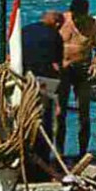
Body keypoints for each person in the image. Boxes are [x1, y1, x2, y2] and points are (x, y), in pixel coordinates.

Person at [57, 0, 96, 157]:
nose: (77, 21)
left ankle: (82, 152)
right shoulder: (62, 21)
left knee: (84, 114)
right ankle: (59, 152)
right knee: (60, 114)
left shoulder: (92, 25)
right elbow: (49, 42)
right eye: (75, 17)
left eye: (80, 17)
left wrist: (95, 64)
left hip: (83, 70)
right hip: (63, 71)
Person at [21, 11, 64, 165]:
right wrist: (59, 98)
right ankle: (43, 159)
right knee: (44, 121)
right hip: (45, 80)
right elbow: (56, 65)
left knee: (25, 118)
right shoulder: (55, 36)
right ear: (57, 23)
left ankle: (25, 156)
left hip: (23, 79)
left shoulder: (24, 30)